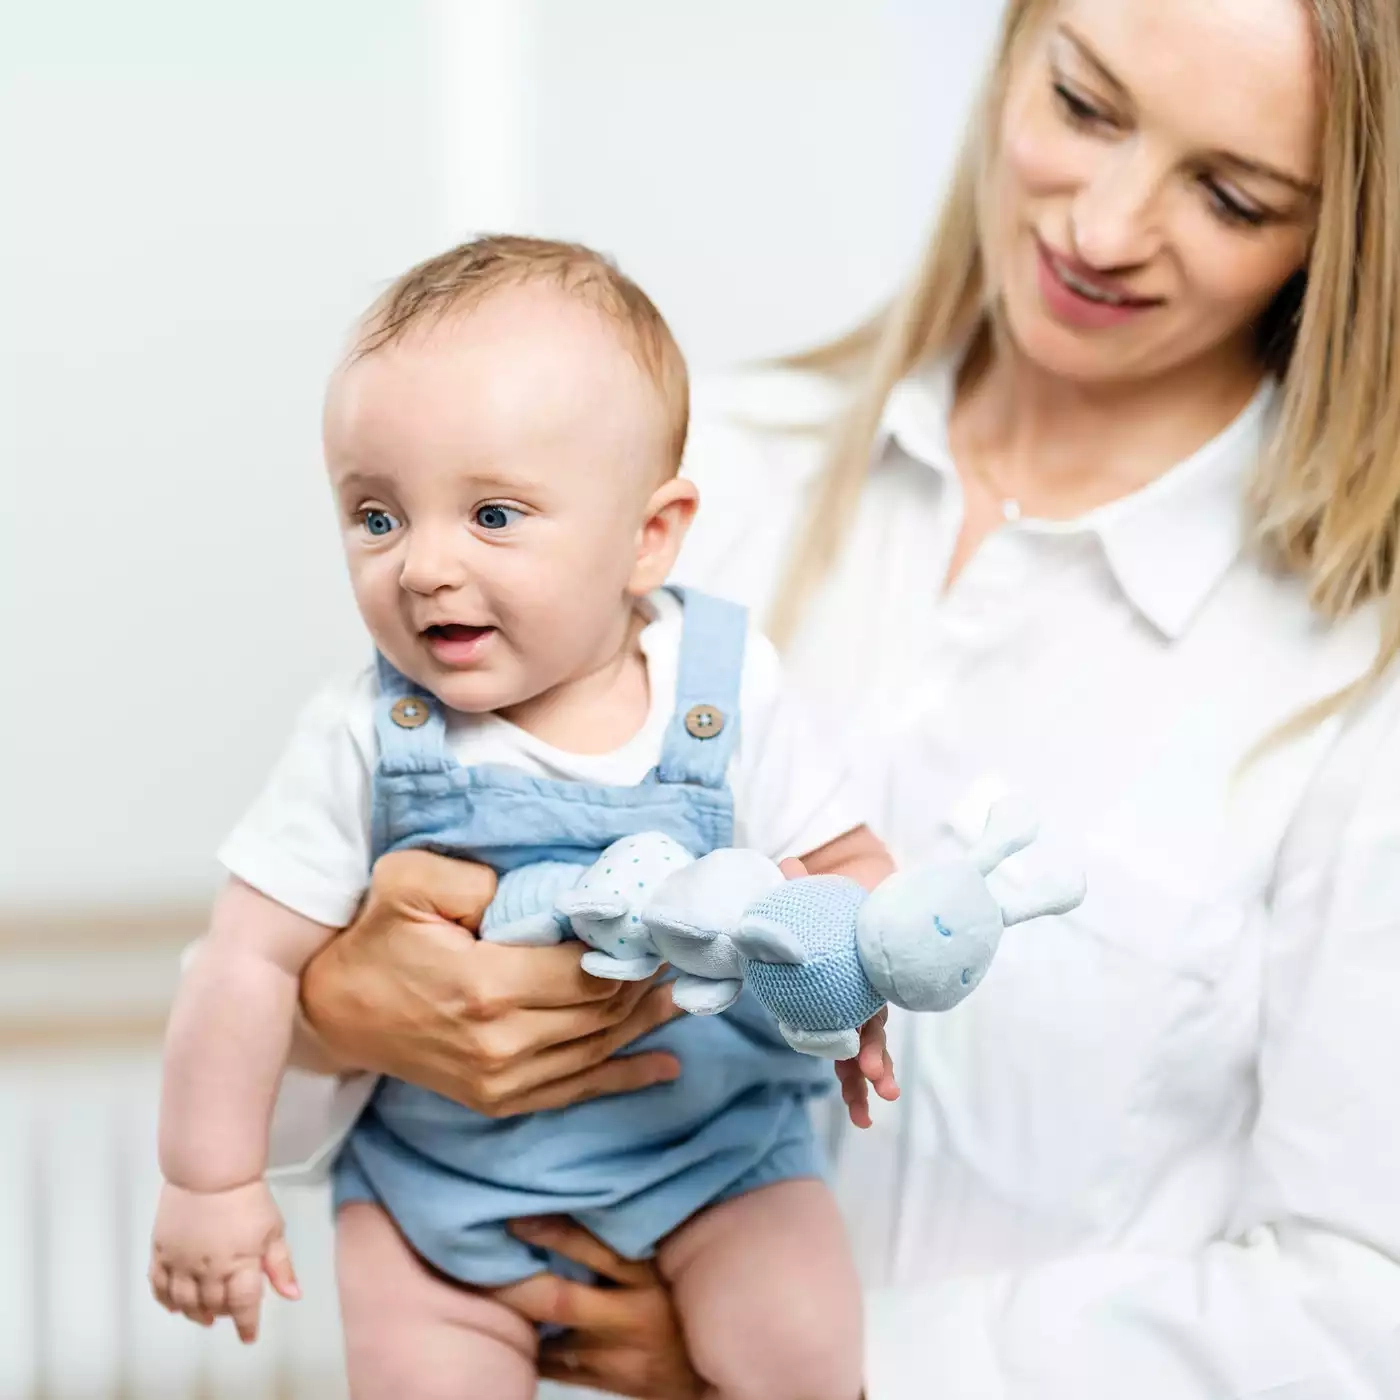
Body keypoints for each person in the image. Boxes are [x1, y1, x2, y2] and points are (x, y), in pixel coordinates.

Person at [243, 0, 1400, 1394]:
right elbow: (302, 919)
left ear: (1342, 228)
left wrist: (828, 1368)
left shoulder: (1353, 672)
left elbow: (1362, 1302)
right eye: (1084, 105)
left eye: (1229, 194)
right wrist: (339, 1010)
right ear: (1014, 50)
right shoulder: (670, 483)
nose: (1102, 226)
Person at [149, 236, 906, 1400]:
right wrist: (209, 1181)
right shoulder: (363, 730)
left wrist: (855, 964)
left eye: (492, 515)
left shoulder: (723, 685)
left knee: (803, 1348)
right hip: (435, 1192)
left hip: (712, 1155)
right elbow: (243, 962)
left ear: (647, 535)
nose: (423, 566)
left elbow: (847, 864)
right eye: (376, 515)